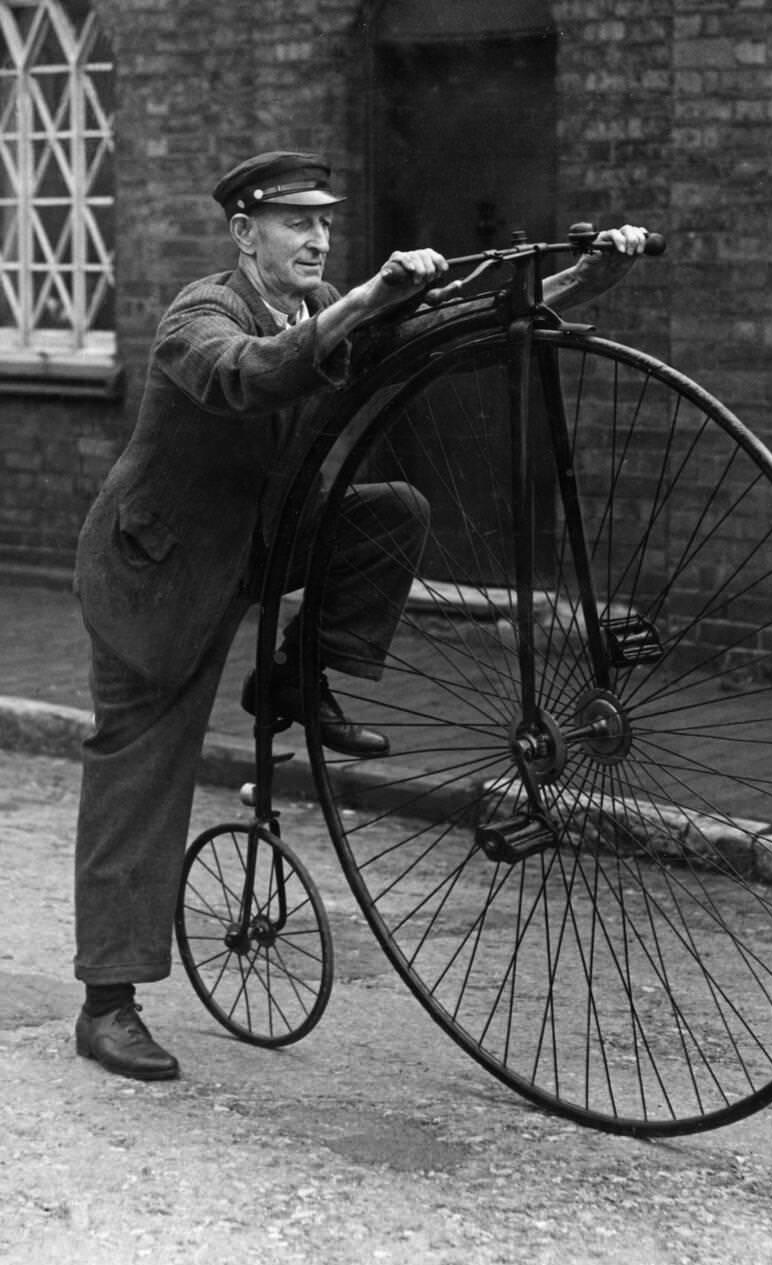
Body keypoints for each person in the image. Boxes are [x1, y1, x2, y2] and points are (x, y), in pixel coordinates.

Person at [71, 149, 650, 1082]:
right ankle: (108, 1003)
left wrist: (586, 275)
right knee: (142, 768)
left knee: (389, 513)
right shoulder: (201, 313)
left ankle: (297, 672)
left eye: (325, 223)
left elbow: (452, 322)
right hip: (159, 574)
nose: (316, 237)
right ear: (243, 235)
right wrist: (365, 298)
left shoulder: (320, 306)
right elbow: (251, 376)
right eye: (295, 223)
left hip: (263, 542)